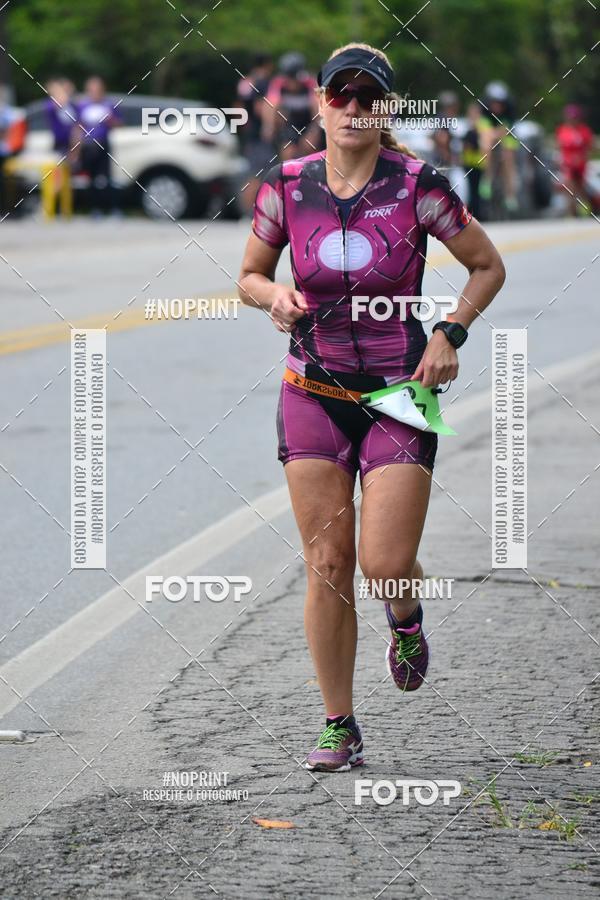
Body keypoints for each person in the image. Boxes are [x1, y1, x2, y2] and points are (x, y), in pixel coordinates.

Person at [238, 43, 505, 772]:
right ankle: (338, 724)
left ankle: (406, 616)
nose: (353, 107)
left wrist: (451, 332)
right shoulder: (286, 187)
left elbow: (488, 265)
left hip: (400, 392)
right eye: (341, 94)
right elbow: (250, 277)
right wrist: (275, 296)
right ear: (320, 104)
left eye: (369, 96)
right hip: (312, 393)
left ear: (387, 109)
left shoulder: (418, 184)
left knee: (384, 564)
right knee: (327, 561)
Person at [74, 76, 121, 216]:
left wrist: (110, 120)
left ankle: (113, 209)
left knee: (107, 179)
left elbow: (119, 124)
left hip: (104, 143)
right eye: (91, 89)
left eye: (97, 89)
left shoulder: (108, 105)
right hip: (88, 146)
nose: (94, 92)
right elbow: (77, 127)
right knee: (90, 179)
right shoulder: (82, 105)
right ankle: (95, 209)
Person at [262, 52, 322, 160]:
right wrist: (268, 126)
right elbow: (270, 105)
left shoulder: (310, 82)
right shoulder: (278, 83)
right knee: (288, 152)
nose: (293, 83)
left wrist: (315, 130)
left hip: (308, 123)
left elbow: (317, 108)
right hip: (289, 124)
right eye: (290, 78)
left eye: (295, 79)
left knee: (310, 147)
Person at [235, 54, 275, 212]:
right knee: (260, 175)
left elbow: (238, 107)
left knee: (252, 172)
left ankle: (247, 212)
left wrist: (244, 128)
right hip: (261, 135)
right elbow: (261, 107)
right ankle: (254, 213)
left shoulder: (245, 81)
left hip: (249, 134)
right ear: (267, 65)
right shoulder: (263, 82)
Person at [478, 81, 519, 214]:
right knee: (486, 143)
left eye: (500, 103)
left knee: (508, 155)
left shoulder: (510, 109)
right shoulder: (483, 109)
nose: (497, 106)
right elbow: (485, 129)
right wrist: (494, 134)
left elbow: (507, 130)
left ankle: (510, 194)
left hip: (506, 134)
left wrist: (498, 134)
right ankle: (487, 178)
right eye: (494, 102)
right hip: (491, 131)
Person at [556, 104, 594, 217]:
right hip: (567, 163)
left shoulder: (584, 130)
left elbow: (589, 148)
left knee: (580, 186)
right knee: (569, 186)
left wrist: (582, 158)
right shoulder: (562, 130)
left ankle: (586, 207)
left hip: (580, 163)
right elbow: (559, 146)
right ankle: (571, 211)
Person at [462, 102, 485, 219]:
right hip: (470, 164)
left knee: (476, 191)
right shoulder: (469, 128)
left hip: (478, 164)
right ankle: (476, 213)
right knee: (472, 191)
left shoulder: (480, 129)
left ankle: (478, 214)